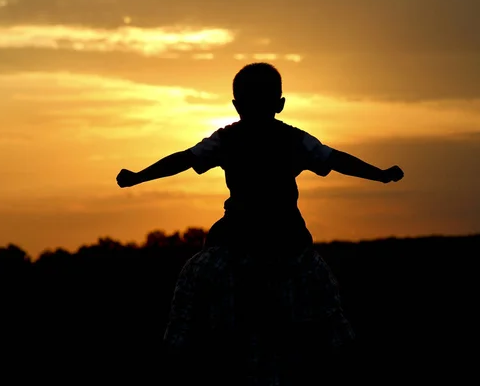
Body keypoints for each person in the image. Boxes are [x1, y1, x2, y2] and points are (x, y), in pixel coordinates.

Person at [116, 62, 404, 385]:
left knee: (192, 304)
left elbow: (184, 159)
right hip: (280, 247)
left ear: (236, 105)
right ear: (280, 104)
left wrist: (139, 177)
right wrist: (379, 174)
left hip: (259, 247)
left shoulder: (230, 140)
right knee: (328, 325)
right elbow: (335, 159)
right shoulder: (293, 140)